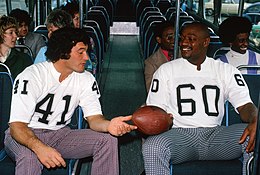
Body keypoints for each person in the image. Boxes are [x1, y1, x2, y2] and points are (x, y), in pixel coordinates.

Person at [4, 27, 137, 175]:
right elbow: (17, 126)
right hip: (24, 135)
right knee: (30, 157)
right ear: (63, 52)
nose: (86, 57)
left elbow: (94, 119)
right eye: (80, 52)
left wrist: (109, 125)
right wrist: (39, 147)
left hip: (59, 134)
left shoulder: (86, 79)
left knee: (107, 140)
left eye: (86, 51)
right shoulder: (32, 76)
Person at [142, 21, 258, 175]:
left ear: (205, 42)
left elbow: (244, 106)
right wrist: (158, 119)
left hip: (217, 136)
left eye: (191, 39)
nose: (183, 43)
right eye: (182, 38)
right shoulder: (166, 71)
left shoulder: (226, 70)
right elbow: (156, 110)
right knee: (152, 147)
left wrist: (256, 119)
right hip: (180, 136)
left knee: (256, 135)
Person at [144, 21, 176, 92]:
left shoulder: (186, 56)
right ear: (159, 40)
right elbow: (151, 90)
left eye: (176, 36)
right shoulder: (151, 63)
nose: (174, 40)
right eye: (169, 37)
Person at [0, 15, 33, 80]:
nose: (15, 36)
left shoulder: (24, 59)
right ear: (1, 34)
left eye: (16, 32)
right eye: (11, 33)